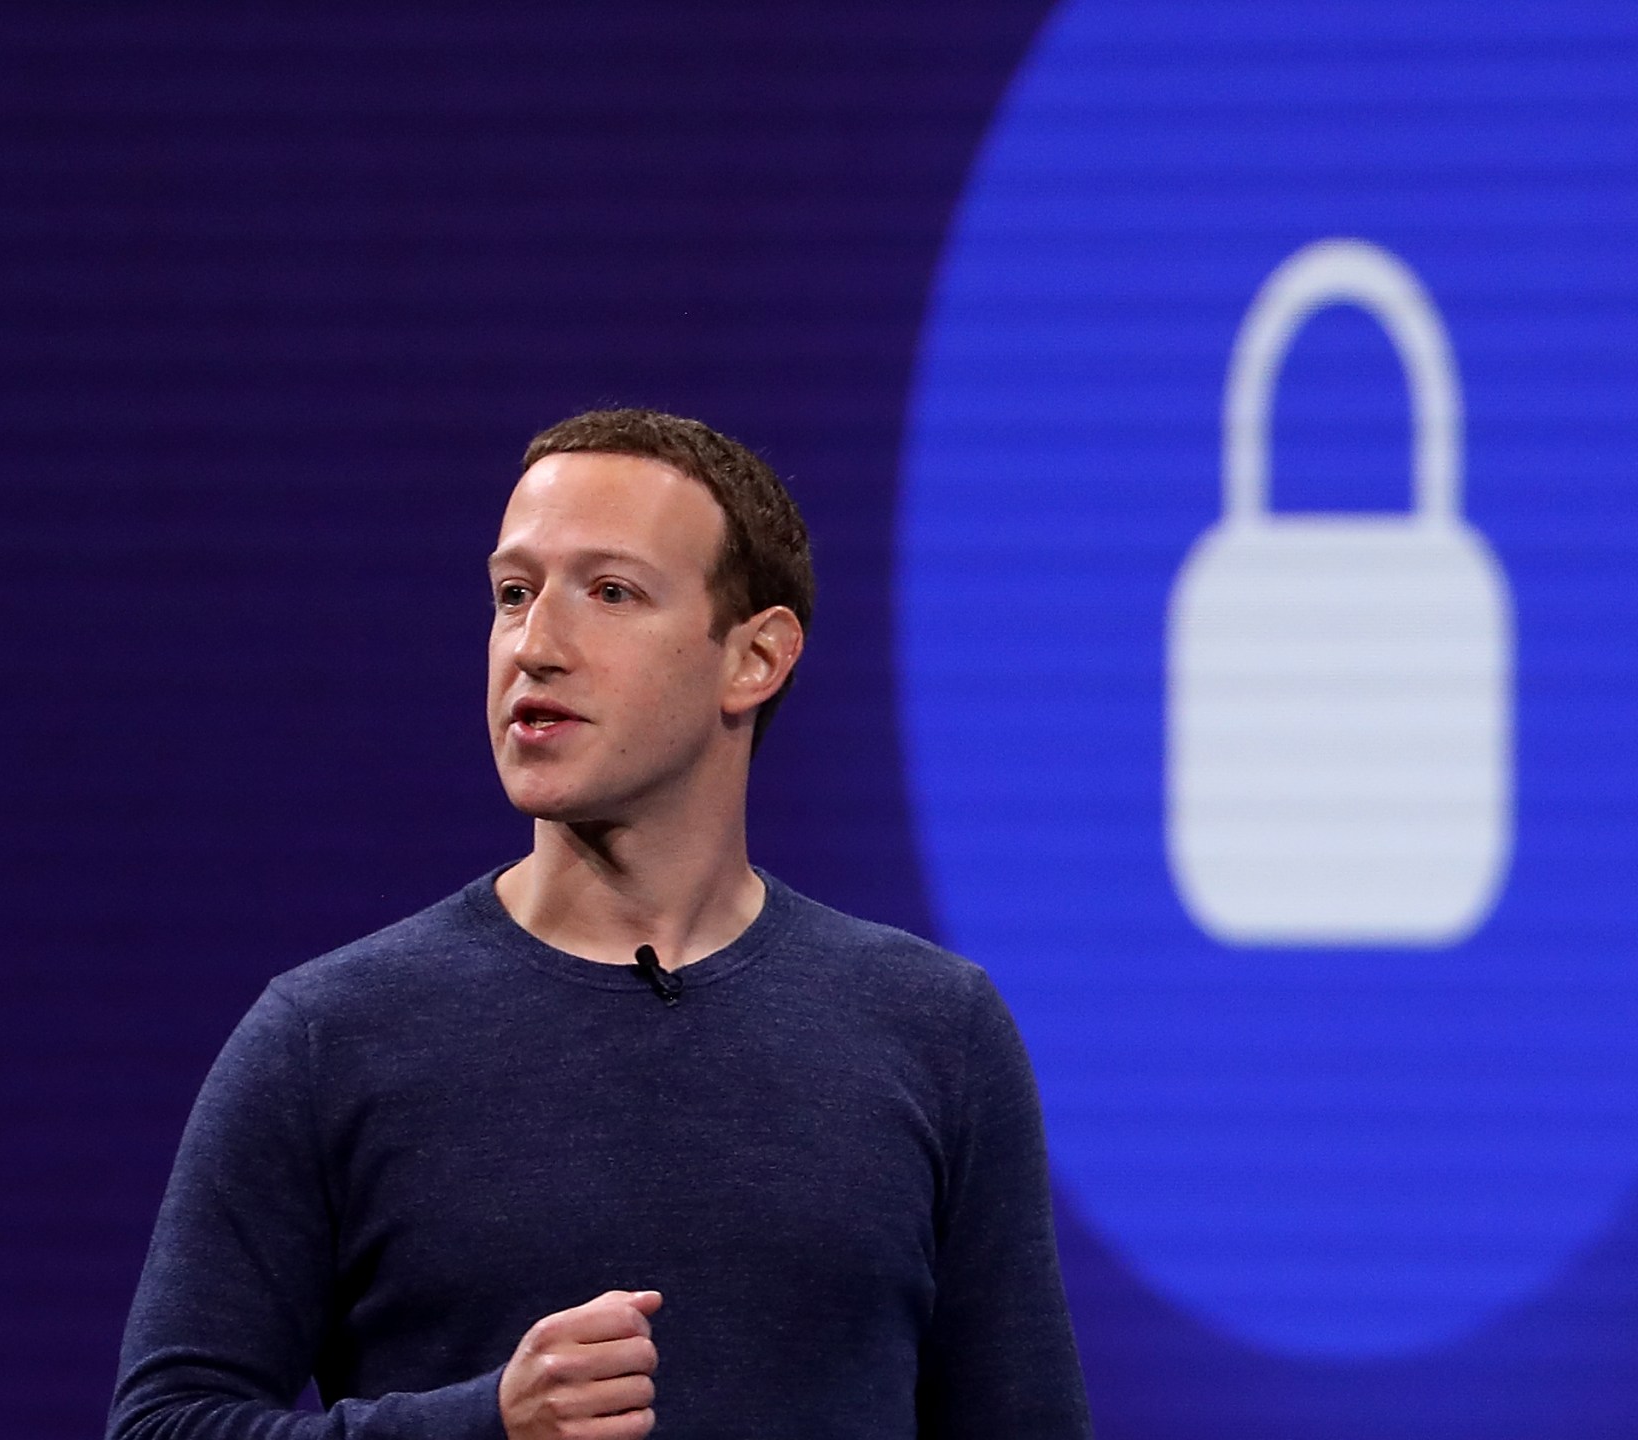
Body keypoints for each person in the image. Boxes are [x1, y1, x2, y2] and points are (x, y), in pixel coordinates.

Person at [108, 409, 1091, 1440]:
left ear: (754, 659)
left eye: (610, 593)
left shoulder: (934, 1028)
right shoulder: (327, 1036)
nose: (534, 646)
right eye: (512, 594)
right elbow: (163, 1426)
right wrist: (484, 1424)